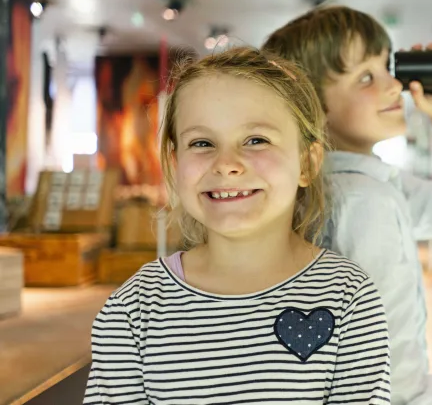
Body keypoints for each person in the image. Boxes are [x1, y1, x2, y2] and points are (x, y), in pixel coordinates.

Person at [83, 47, 391, 405]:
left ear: (307, 163)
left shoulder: (349, 296)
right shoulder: (133, 310)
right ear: (175, 163)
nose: (226, 163)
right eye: (202, 143)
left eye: (256, 140)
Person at [263, 6, 432, 405]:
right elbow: (383, 333)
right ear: (313, 107)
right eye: (366, 77)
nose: (394, 85)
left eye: (386, 67)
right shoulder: (361, 200)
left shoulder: (366, 185)